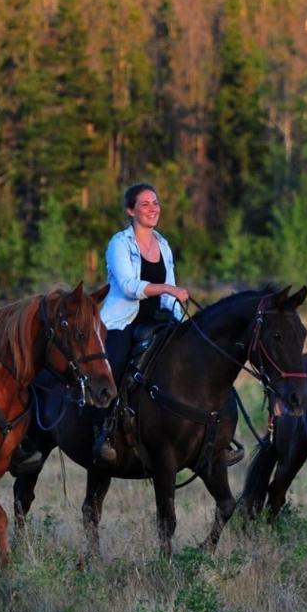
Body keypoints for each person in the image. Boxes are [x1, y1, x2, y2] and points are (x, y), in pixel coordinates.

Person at [95, 183, 189, 462]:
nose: (153, 208)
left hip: (159, 319)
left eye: (156, 203)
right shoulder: (119, 243)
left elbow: (170, 291)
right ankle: (107, 429)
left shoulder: (163, 244)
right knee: (117, 364)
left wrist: (183, 322)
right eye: (145, 204)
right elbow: (128, 286)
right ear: (130, 210)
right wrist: (167, 289)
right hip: (124, 321)